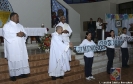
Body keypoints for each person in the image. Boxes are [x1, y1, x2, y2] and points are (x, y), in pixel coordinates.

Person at [2, 12, 30, 81]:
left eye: (18, 17)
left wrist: (23, 34)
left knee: (21, 59)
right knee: (13, 59)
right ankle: (13, 75)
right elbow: (6, 35)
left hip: (21, 46)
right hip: (12, 47)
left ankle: (22, 73)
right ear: (12, 17)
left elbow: (25, 33)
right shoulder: (7, 26)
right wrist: (16, 34)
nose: (18, 18)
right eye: (17, 16)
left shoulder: (20, 26)